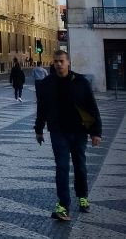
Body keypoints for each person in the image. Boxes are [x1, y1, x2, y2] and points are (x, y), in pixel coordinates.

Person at [34, 49, 102, 222]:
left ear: (68, 62)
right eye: (55, 61)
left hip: (79, 131)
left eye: (61, 61)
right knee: (62, 167)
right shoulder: (47, 83)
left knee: (80, 165)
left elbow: (92, 107)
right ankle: (63, 205)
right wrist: (39, 129)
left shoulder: (80, 82)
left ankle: (83, 197)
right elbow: (42, 108)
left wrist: (96, 132)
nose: (58, 64)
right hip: (58, 132)